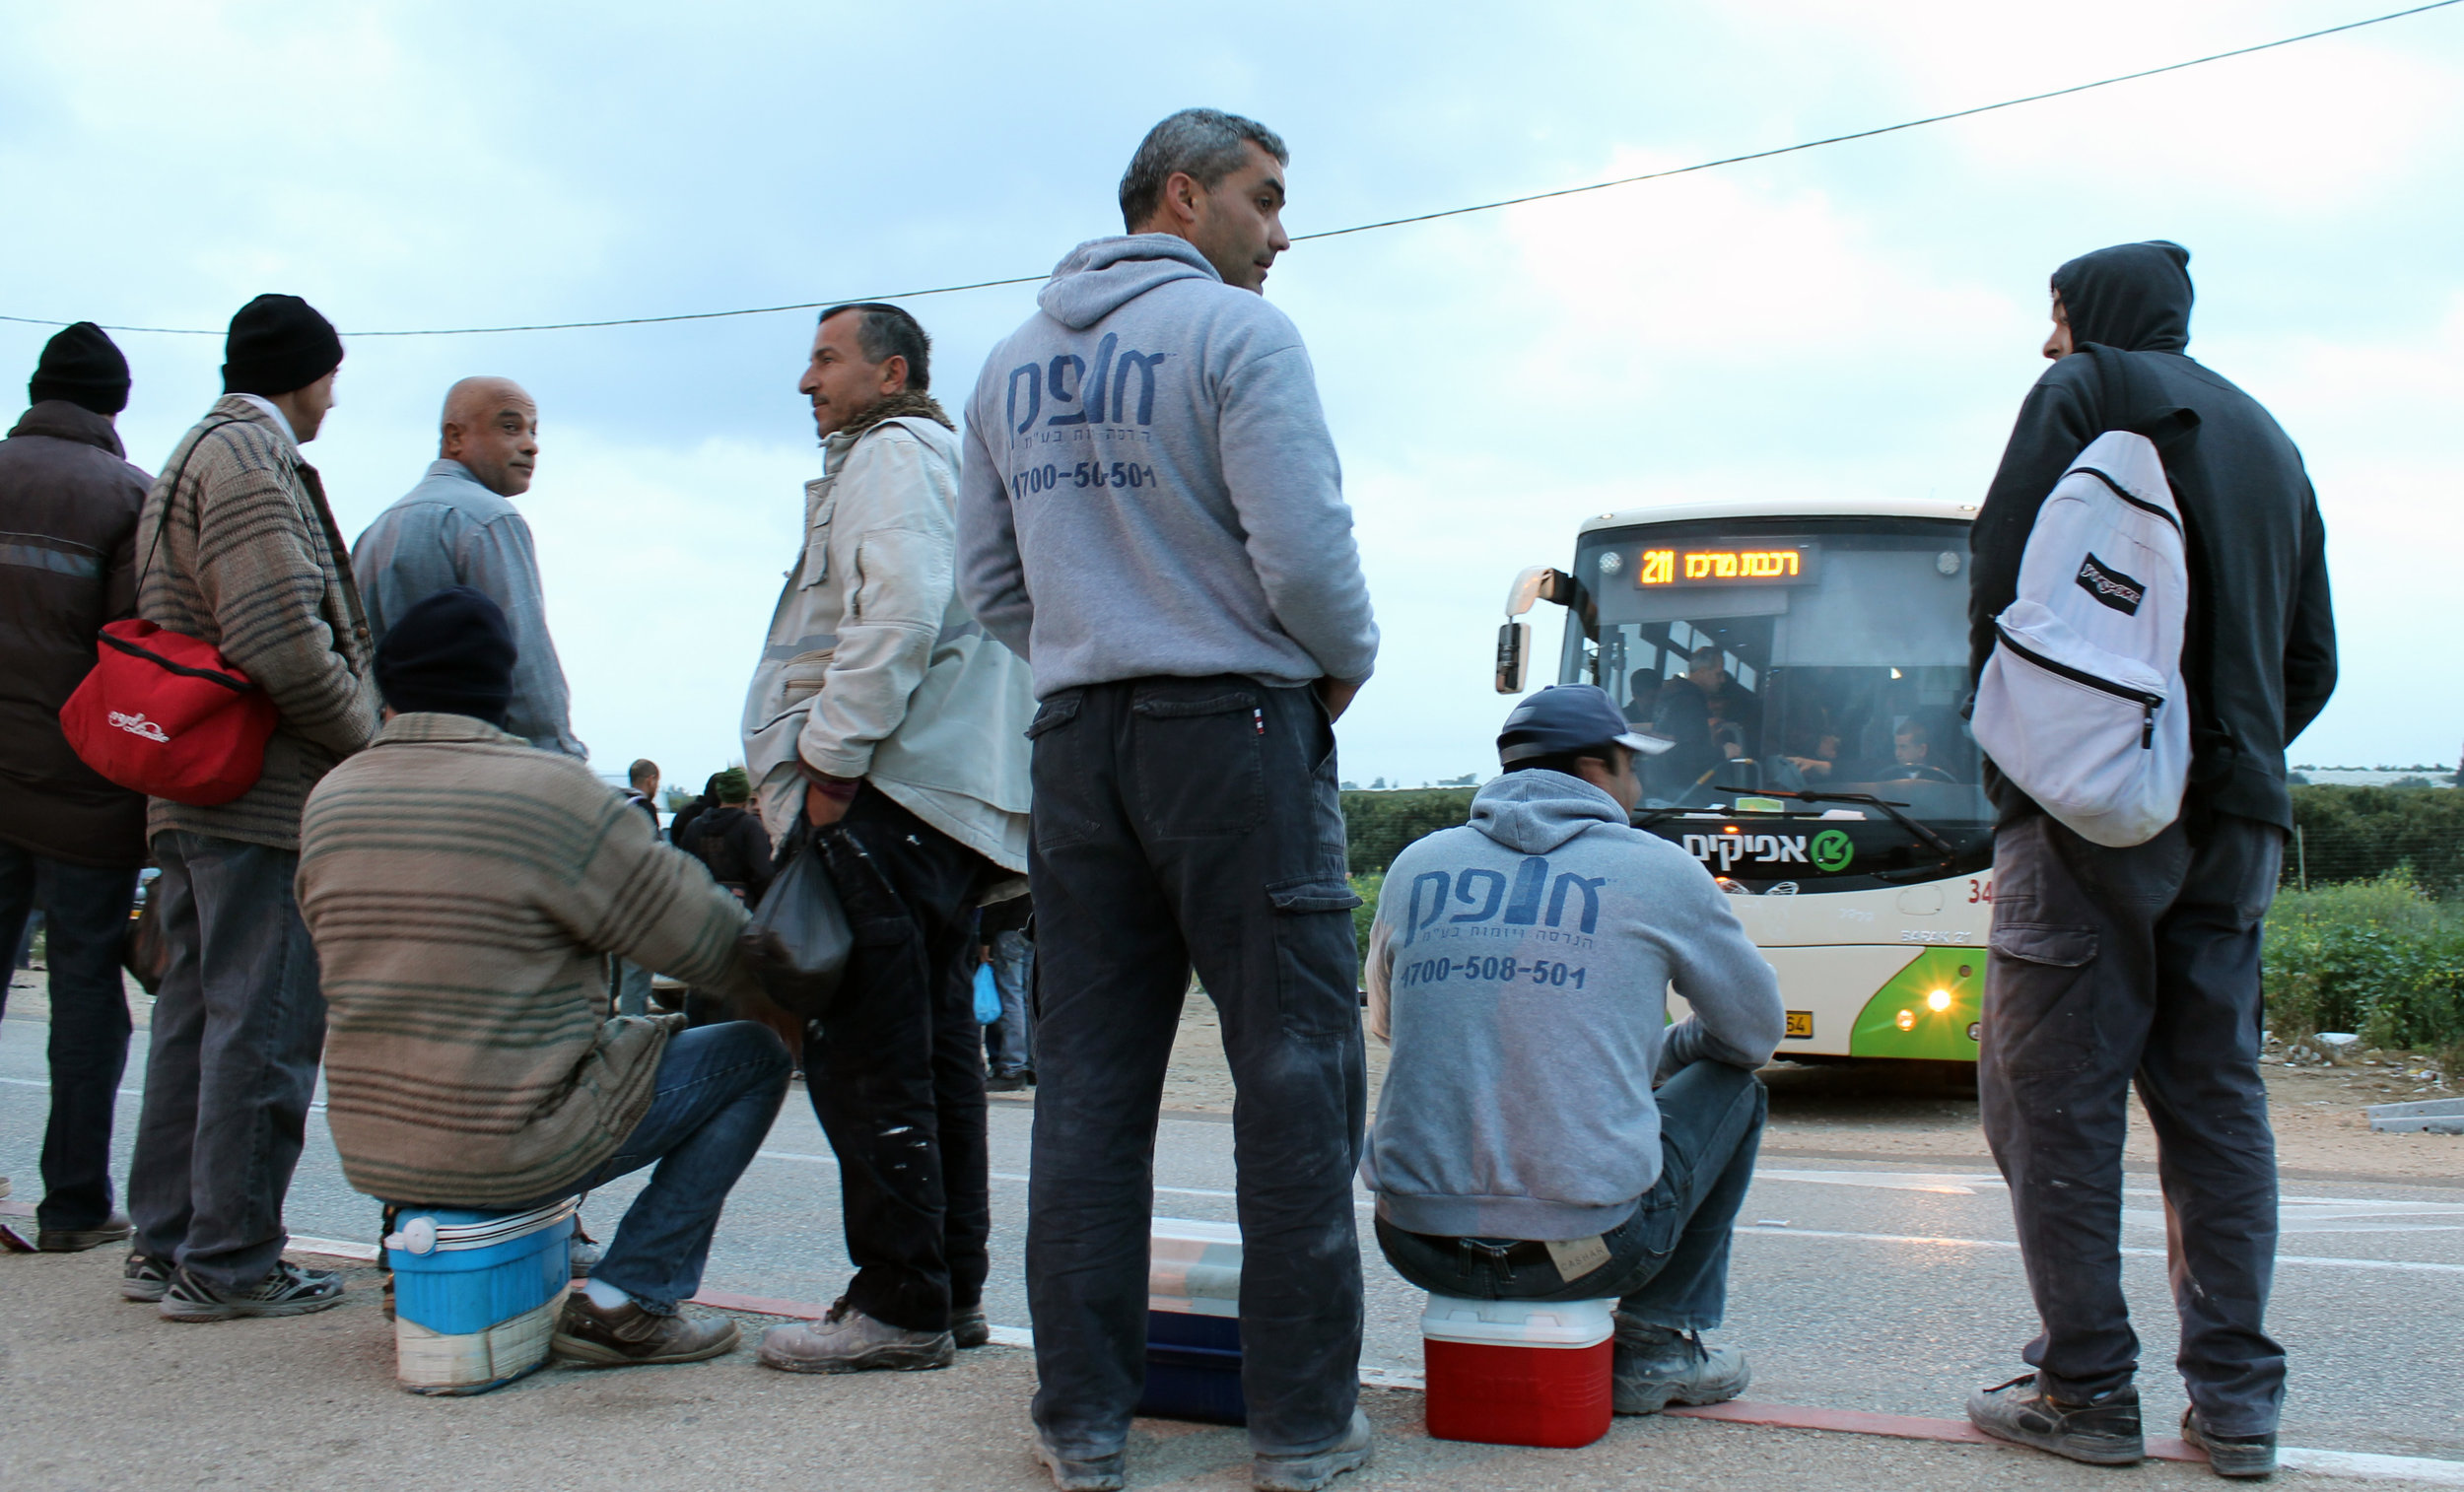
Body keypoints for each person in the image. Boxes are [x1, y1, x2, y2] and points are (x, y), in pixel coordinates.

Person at [956, 108, 1381, 1492]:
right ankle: (1304, 1429)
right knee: (1293, 1082)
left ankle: (1082, 1422)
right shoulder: (1239, 339)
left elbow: (993, 586)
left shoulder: (1008, 369)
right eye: (1265, 198)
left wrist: (1096, 649)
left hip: (1078, 740)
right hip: (1239, 728)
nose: (1282, 228)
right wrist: (1337, 668)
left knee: (1085, 1087)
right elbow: (1305, 548)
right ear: (1184, 199)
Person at [1962, 241, 2337, 1478]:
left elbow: (2005, 584)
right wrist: (2225, 751)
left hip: (2089, 819)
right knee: (2216, 1105)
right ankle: (2235, 1404)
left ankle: (2085, 1392)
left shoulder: (2089, 392)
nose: (2044, 342)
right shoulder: (2271, 438)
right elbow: (2311, 661)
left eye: (2051, 313)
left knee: (2053, 1106)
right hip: (2240, 816)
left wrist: (2032, 761)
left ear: (2089, 316)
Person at [298, 587, 787, 1366]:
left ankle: (421, 1259)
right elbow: (707, 939)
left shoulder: (330, 800)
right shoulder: (549, 795)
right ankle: (633, 1299)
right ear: (506, 686)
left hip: (374, 1145)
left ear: (386, 686)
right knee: (754, 1059)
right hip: (508, 1143)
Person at [741, 301, 1034, 1377]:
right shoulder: (940, 459)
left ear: (890, 370)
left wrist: (831, 763)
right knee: (933, 1052)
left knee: (872, 1063)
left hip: (888, 792)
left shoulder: (892, 456)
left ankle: (899, 1301)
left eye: (826, 358)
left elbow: (898, 610)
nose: (807, 380)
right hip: (941, 801)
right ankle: (946, 1290)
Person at [1362, 685, 1781, 1413]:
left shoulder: (1415, 867)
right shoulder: (1658, 869)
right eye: (1631, 766)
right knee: (1737, 1089)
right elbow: (1753, 1035)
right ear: (1596, 770)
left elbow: (1395, 1028)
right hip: (1586, 1254)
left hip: (1416, 1242)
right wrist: (1665, 1050)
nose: (1639, 786)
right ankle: (1656, 1346)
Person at [123, 294, 378, 1321]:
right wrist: (368, 741)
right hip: (259, 793)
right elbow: (281, 637)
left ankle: (167, 1243)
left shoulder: (194, 452)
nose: (332, 398)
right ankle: (230, 1258)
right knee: (262, 1026)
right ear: (307, 373)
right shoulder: (248, 462)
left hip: (191, 790)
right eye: (330, 376)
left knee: (193, 1019)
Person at [0, 323, 151, 1253]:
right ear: (114, 406)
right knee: (86, 993)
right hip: (78, 790)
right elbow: (136, 657)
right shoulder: (127, 496)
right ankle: (74, 1206)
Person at [351, 376, 584, 759]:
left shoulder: (376, 531)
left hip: (388, 761)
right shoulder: (489, 519)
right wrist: (560, 760)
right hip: (477, 764)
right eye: (510, 427)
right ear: (455, 437)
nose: (531, 445)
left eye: (532, 431)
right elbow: (527, 666)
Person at [613, 758, 663, 1017]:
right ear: (651, 779)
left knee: (611, 977)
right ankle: (632, 1039)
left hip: (608, 901)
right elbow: (653, 856)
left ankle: (603, 1031)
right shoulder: (643, 808)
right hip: (636, 903)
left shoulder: (614, 805)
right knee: (636, 976)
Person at [682, 768, 774, 908]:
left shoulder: (694, 826)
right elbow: (763, 874)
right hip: (740, 908)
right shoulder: (750, 826)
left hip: (701, 907)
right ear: (745, 794)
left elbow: (684, 869)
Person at [979, 893, 1034, 1090]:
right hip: (1032, 929)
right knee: (1027, 999)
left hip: (1008, 930)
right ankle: (1029, 1063)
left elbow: (999, 899)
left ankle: (1013, 1067)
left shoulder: (1011, 862)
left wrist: (985, 939)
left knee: (1012, 1000)